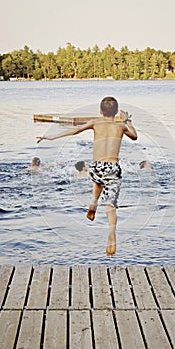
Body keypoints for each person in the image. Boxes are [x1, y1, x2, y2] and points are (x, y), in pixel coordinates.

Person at [37, 96, 138, 256]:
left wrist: (50, 137)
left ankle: (93, 203)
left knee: (98, 181)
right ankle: (111, 233)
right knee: (110, 206)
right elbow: (134, 136)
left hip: (95, 167)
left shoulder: (94, 122)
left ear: (100, 111)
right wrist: (127, 121)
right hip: (112, 167)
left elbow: (73, 131)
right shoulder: (121, 126)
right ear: (117, 112)